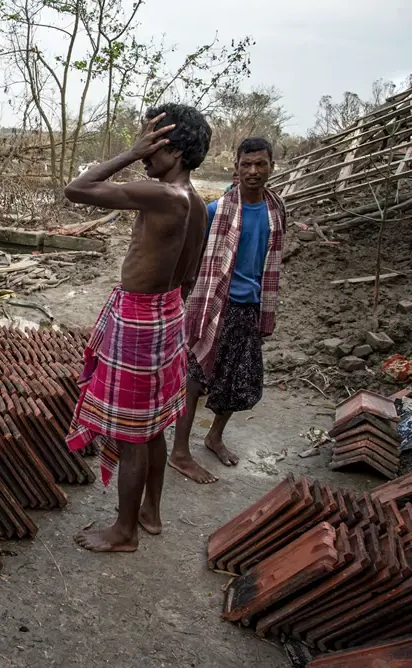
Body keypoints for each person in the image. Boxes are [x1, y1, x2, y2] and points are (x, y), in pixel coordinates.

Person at [63, 104, 212, 553]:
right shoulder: (199, 203)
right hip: (168, 312)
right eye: (145, 140)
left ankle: (123, 531)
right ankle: (150, 512)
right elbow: (188, 276)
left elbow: (77, 189)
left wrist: (129, 153)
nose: (148, 151)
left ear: (179, 150)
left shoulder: (162, 194)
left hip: (141, 316)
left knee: (131, 433)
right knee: (151, 427)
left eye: (156, 142)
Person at [168, 137, 287, 484]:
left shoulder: (275, 211)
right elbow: (192, 260)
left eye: (260, 164)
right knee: (194, 378)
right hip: (212, 304)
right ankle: (179, 451)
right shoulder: (215, 210)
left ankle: (214, 436)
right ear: (235, 167)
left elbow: (271, 263)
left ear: (271, 167)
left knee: (237, 378)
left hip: (249, 307)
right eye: (246, 164)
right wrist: (182, 301)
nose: (253, 171)